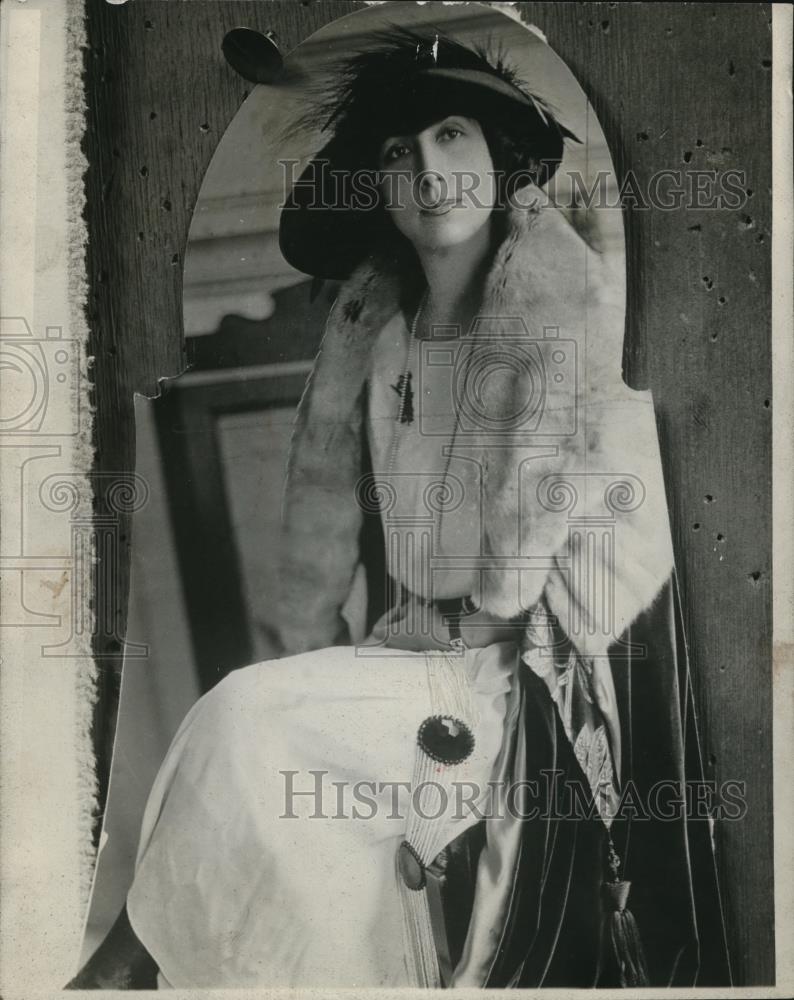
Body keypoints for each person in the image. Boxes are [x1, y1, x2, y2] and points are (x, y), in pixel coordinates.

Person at [68, 29, 732, 989]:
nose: (429, 171)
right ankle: (156, 968)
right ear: (378, 189)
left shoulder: (580, 330)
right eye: (396, 154)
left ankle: (120, 971)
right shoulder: (379, 347)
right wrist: (398, 630)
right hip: (411, 662)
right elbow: (376, 549)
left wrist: (462, 622)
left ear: (501, 161)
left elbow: (624, 577)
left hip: (532, 687)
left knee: (249, 722)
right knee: (254, 756)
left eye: (452, 136)